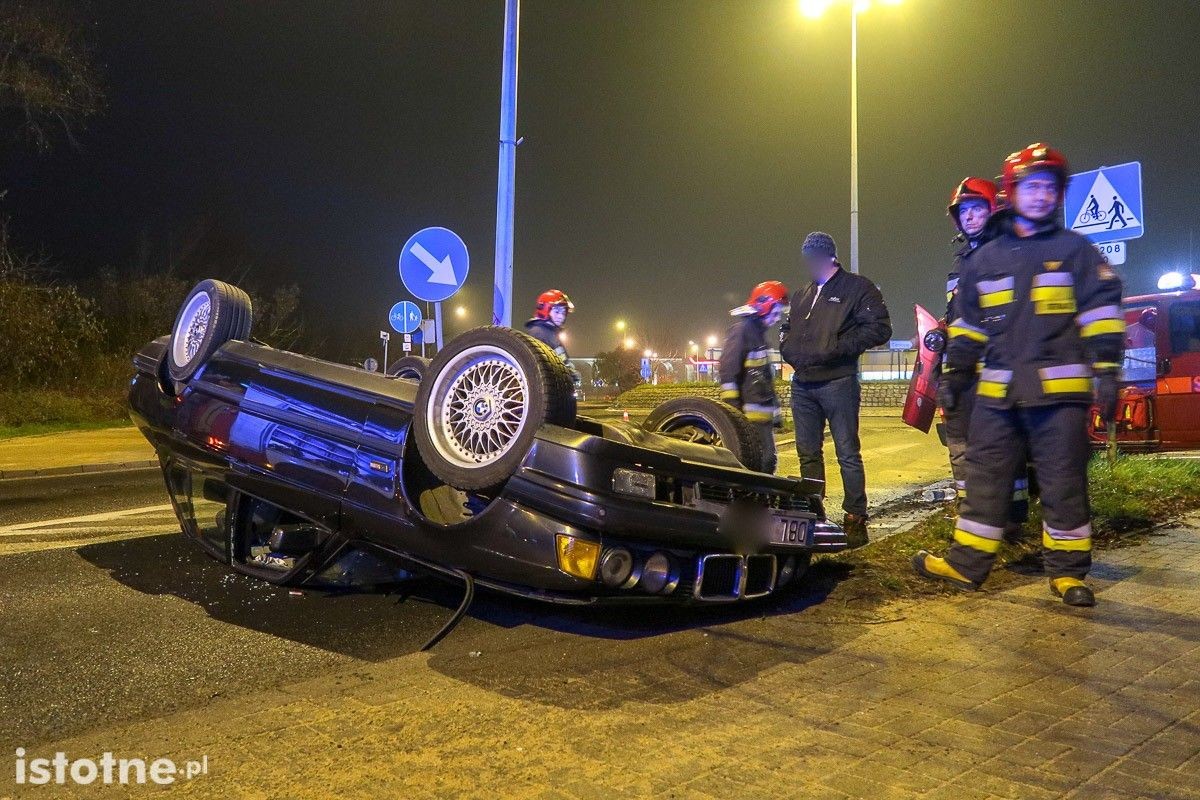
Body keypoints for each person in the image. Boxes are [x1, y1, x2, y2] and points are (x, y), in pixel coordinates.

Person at [914, 142, 1124, 607]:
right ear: (1013, 192)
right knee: (985, 480)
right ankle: (966, 565)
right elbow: (967, 326)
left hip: (1060, 396)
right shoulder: (985, 260)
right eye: (1032, 186)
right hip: (998, 395)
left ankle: (1068, 575)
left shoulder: (1077, 251)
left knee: (1063, 483)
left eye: (1050, 187)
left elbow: (1102, 314)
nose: (1042, 195)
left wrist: (1107, 369)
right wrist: (954, 375)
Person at [781, 232, 892, 546]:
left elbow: (881, 328)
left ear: (829, 256)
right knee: (807, 453)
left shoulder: (857, 288)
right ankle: (814, 512)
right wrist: (787, 348)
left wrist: (837, 349)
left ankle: (855, 515)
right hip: (803, 385)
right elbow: (787, 330)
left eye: (813, 257)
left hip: (838, 382)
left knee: (847, 452)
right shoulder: (803, 294)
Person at [719, 281, 790, 474]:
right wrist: (732, 412)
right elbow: (728, 372)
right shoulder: (742, 331)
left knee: (766, 463)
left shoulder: (759, 335)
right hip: (749, 418)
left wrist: (775, 416)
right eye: (776, 311)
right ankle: (751, 502)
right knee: (759, 464)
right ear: (764, 305)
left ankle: (759, 503)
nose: (777, 318)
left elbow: (764, 382)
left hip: (762, 419)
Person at [524, 289, 580, 384]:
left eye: (563, 313)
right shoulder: (539, 333)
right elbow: (540, 369)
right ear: (545, 309)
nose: (561, 317)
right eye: (557, 312)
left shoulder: (550, 333)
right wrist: (568, 372)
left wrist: (569, 371)